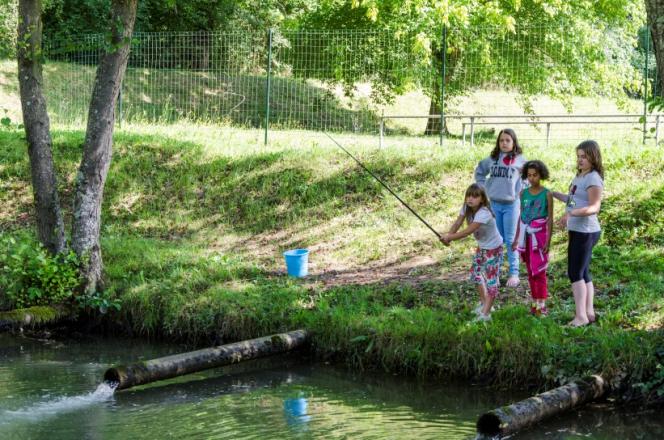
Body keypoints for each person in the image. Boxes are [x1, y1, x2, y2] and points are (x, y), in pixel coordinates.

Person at [552, 140, 604, 327]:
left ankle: (580, 316)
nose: (580, 160)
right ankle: (589, 312)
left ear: (593, 157)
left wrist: (571, 214)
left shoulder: (593, 178)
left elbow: (594, 207)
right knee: (583, 272)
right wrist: (555, 194)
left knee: (575, 273)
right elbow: (574, 201)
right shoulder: (580, 177)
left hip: (586, 231)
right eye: (578, 156)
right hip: (577, 230)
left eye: (584, 156)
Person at [441, 184, 503, 322]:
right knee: (475, 275)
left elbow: (468, 231)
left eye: (475, 196)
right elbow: (458, 223)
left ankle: (485, 315)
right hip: (482, 247)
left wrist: (450, 238)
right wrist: (448, 236)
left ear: (482, 199)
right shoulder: (466, 208)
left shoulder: (484, 213)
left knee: (491, 281)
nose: (470, 199)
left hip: (493, 249)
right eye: (468, 195)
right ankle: (484, 304)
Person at [475, 128, 527, 288]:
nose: (504, 143)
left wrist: (520, 191)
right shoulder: (492, 159)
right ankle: (494, 274)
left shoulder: (520, 160)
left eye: (507, 140)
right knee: (496, 240)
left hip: (511, 205)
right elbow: (480, 172)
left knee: (511, 240)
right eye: (501, 140)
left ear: (513, 142)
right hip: (494, 204)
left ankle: (514, 273)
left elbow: (527, 177)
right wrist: (484, 189)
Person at [512, 160, 554, 316]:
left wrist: (548, 242)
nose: (532, 178)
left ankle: (542, 304)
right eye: (529, 175)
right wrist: (516, 239)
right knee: (530, 270)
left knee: (539, 271)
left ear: (541, 175)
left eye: (535, 175)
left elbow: (550, 219)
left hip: (539, 238)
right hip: (525, 239)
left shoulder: (547, 194)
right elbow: (521, 217)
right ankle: (534, 302)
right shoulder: (523, 194)